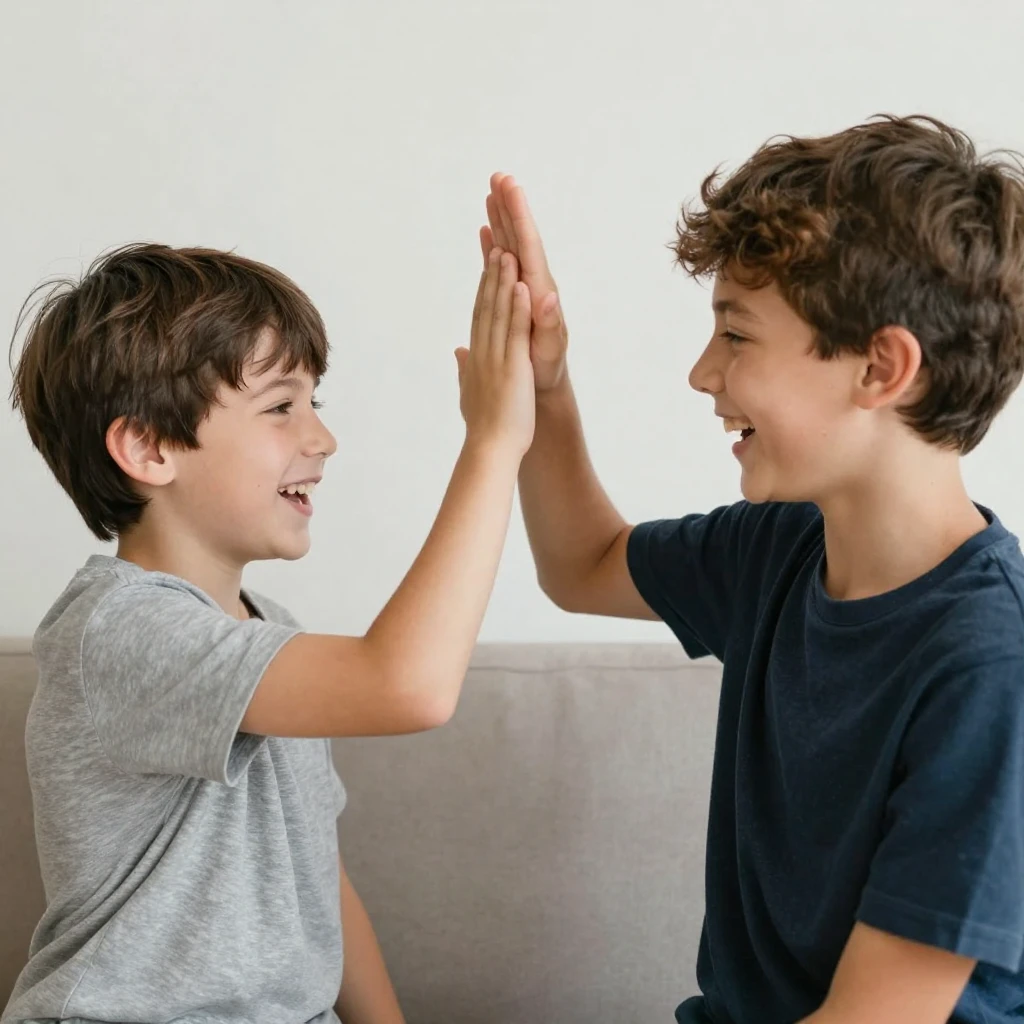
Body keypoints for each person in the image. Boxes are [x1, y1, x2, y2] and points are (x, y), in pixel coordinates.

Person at [490, 115, 1024, 1023]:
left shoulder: (991, 665)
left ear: (880, 367)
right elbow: (582, 564)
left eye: (736, 335)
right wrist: (544, 379)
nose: (703, 374)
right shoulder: (777, 548)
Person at [3, 241, 533, 1024]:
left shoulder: (273, 634)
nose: (322, 438)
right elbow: (408, 686)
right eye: (282, 406)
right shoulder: (117, 630)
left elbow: (317, 874)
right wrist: (493, 443)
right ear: (148, 447)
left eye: (316, 402)